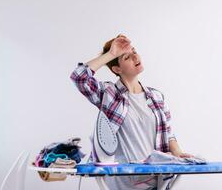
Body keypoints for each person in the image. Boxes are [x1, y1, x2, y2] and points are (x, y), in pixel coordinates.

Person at [70, 34, 193, 190]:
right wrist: (111, 54)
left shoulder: (156, 97)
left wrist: (178, 154)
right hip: (124, 181)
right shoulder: (109, 94)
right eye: (127, 57)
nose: (135, 56)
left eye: (134, 51)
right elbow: (79, 77)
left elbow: (168, 134)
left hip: (157, 179)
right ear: (116, 69)